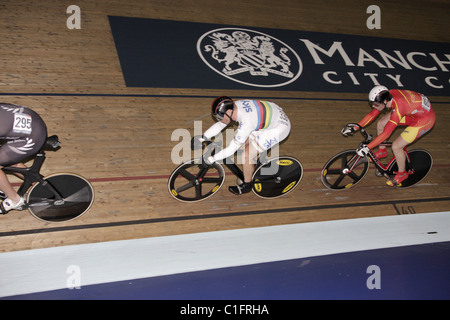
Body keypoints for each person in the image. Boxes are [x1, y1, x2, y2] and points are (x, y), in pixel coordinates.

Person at [342, 85, 436, 187]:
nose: (373, 106)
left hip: (424, 120)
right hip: (411, 112)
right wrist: (355, 127)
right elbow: (372, 114)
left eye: (376, 104)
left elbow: (386, 133)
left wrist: (368, 148)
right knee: (381, 123)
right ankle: (382, 151)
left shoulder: (399, 107)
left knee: (396, 146)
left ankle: (402, 174)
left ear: (385, 102)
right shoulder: (387, 95)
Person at [195, 96, 291, 195]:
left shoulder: (246, 122)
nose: (219, 119)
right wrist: (203, 137)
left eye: (219, 117)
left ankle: (247, 185)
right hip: (268, 118)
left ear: (228, 113)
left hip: (279, 128)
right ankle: (254, 166)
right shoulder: (234, 107)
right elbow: (221, 124)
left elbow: (231, 150)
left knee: (246, 155)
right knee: (244, 146)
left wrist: (211, 159)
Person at [0, 103, 47, 213]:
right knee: (9, 159)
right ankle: (39, 185)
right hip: (32, 122)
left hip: (33, 136)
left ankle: (15, 200)